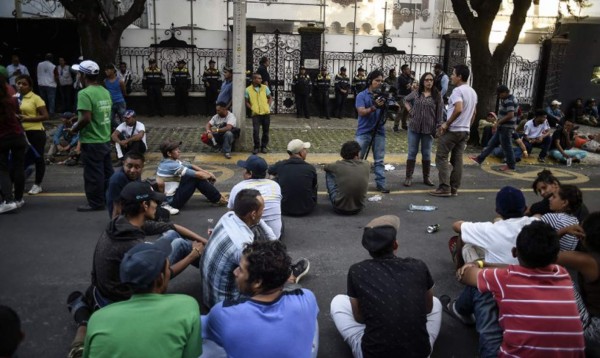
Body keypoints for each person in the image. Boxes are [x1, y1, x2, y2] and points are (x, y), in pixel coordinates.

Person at [66, 181, 206, 326]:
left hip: (100, 292)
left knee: (171, 234)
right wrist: (193, 255)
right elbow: (165, 273)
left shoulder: (121, 223)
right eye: (154, 201)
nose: (157, 205)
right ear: (145, 205)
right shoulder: (132, 245)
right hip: (123, 302)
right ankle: (209, 269)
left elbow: (172, 226)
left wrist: (205, 241)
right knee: (180, 244)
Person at [451, 221, 585, 357]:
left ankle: (458, 310)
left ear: (514, 252)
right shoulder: (562, 273)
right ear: (556, 257)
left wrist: (477, 264)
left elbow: (465, 276)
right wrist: (486, 264)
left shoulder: (505, 279)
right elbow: (515, 270)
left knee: (479, 288)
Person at [331, 215, 442, 358]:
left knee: (338, 301)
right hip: (419, 353)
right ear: (395, 245)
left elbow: (358, 318)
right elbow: (428, 308)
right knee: (437, 303)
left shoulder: (357, 270)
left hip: (374, 353)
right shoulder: (418, 266)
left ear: (367, 248)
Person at [82, 240, 202, 358]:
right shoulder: (187, 307)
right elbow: (192, 354)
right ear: (160, 279)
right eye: (168, 267)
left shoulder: (97, 320)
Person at [202, 240, 319, 358]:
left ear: (257, 282)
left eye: (241, 269)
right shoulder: (306, 297)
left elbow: (195, 328)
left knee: (209, 345)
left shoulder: (224, 313)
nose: (235, 271)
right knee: (311, 318)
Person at [201, 189, 277, 308]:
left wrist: (257, 217)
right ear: (252, 214)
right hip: (224, 304)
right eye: (262, 209)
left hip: (208, 293)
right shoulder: (242, 245)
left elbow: (257, 221)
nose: (263, 212)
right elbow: (259, 276)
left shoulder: (228, 216)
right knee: (274, 286)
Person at [69, 60, 114, 212]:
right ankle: (109, 198)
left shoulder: (84, 93)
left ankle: (95, 202)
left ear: (83, 75)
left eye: (79, 74)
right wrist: (77, 117)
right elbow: (99, 113)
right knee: (107, 172)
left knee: (93, 175)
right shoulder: (104, 91)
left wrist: (74, 129)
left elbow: (87, 118)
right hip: (105, 138)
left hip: (91, 140)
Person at [430, 64, 477, 197]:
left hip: (454, 130)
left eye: (453, 74)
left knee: (441, 157)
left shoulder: (457, 91)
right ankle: (454, 188)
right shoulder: (472, 92)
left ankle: (445, 187)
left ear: (459, 76)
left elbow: (458, 108)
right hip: (464, 130)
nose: (451, 76)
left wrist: (446, 124)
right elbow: (474, 113)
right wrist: (467, 125)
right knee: (457, 159)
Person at [556, 212, 600, 349]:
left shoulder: (588, 261)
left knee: (563, 279)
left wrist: (563, 231)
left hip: (594, 329)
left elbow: (540, 253)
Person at [156, 140, 227, 212]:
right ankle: (218, 199)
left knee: (194, 175)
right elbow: (199, 175)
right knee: (196, 178)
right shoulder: (171, 165)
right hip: (171, 202)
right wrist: (210, 176)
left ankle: (215, 197)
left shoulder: (168, 161)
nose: (179, 151)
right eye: (176, 150)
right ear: (169, 153)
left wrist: (207, 172)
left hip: (171, 195)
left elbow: (190, 166)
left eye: (178, 148)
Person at [403, 72, 443, 187]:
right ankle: (408, 177)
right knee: (412, 152)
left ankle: (426, 177)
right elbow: (405, 100)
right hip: (414, 128)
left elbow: (439, 114)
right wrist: (410, 110)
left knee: (426, 153)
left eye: (431, 80)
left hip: (428, 130)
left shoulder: (437, 95)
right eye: (426, 80)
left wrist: (438, 128)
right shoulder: (417, 93)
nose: (429, 82)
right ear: (422, 81)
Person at [229, 155, 282, 239]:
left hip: (248, 239)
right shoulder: (275, 185)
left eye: (245, 170)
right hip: (275, 237)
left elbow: (232, 212)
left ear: (250, 173)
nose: (243, 172)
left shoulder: (238, 188)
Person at [470, 85, 518, 172]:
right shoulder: (507, 100)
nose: (499, 96)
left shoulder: (509, 101)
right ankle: (480, 159)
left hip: (506, 128)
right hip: (502, 127)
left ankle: (511, 165)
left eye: (500, 94)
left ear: (505, 92)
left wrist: (498, 122)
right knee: (491, 144)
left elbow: (510, 115)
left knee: (507, 147)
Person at [355, 70, 388, 193]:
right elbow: (361, 112)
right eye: (377, 81)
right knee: (357, 159)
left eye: (381, 81)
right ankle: (356, 183)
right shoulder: (361, 95)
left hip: (379, 131)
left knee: (379, 160)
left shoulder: (383, 96)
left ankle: (381, 184)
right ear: (370, 81)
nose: (379, 83)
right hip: (364, 131)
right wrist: (374, 107)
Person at [15, 74, 48, 195]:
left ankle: (37, 184)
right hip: (19, 132)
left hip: (35, 132)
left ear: (30, 86)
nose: (21, 86)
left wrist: (26, 119)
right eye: (19, 83)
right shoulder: (14, 97)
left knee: (38, 158)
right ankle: (18, 183)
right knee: (19, 158)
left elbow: (45, 116)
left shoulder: (35, 98)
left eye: (24, 84)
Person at [0, 66, 27, 214]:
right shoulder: (11, 90)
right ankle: (18, 199)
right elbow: (17, 111)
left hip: (3, 136)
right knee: (19, 167)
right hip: (17, 134)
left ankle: (8, 200)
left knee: (2, 168)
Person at [268, 139, 317, 216]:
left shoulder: (281, 165)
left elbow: (270, 171)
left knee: (272, 177)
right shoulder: (310, 168)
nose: (306, 152)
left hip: (284, 208)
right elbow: (314, 185)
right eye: (305, 150)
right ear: (300, 152)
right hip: (307, 208)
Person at [324, 140, 370, 215]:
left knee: (329, 173)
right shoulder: (366, 164)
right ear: (357, 154)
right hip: (359, 208)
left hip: (339, 208)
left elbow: (326, 167)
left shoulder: (337, 165)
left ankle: (337, 195)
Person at [540, 184, 583, 252]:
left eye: (554, 197)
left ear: (564, 202)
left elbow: (534, 241)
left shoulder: (551, 218)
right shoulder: (575, 221)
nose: (549, 198)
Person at [245, 73, 272, 154]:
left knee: (266, 131)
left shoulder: (265, 87)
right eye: (259, 78)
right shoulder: (248, 90)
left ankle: (264, 146)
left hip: (266, 113)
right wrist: (252, 108)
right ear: (254, 80)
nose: (260, 80)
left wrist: (268, 106)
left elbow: (270, 97)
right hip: (256, 114)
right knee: (256, 131)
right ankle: (256, 147)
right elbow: (246, 102)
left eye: (261, 78)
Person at [104, 64, 126, 130]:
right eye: (105, 70)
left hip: (120, 102)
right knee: (109, 120)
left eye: (108, 70)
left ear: (113, 70)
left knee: (123, 120)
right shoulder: (105, 81)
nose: (106, 71)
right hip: (110, 103)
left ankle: (125, 134)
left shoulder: (120, 81)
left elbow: (124, 92)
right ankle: (118, 129)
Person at [396, 64, 414, 131]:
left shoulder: (409, 77)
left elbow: (412, 85)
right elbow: (408, 86)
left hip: (408, 96)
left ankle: (404, 125)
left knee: (406, 111)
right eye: (407, 69)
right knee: (400, 111)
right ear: (403, 70)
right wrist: (410, 84)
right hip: (402, 96)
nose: (409, 70)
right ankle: (396, 126)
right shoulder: (401, 77)